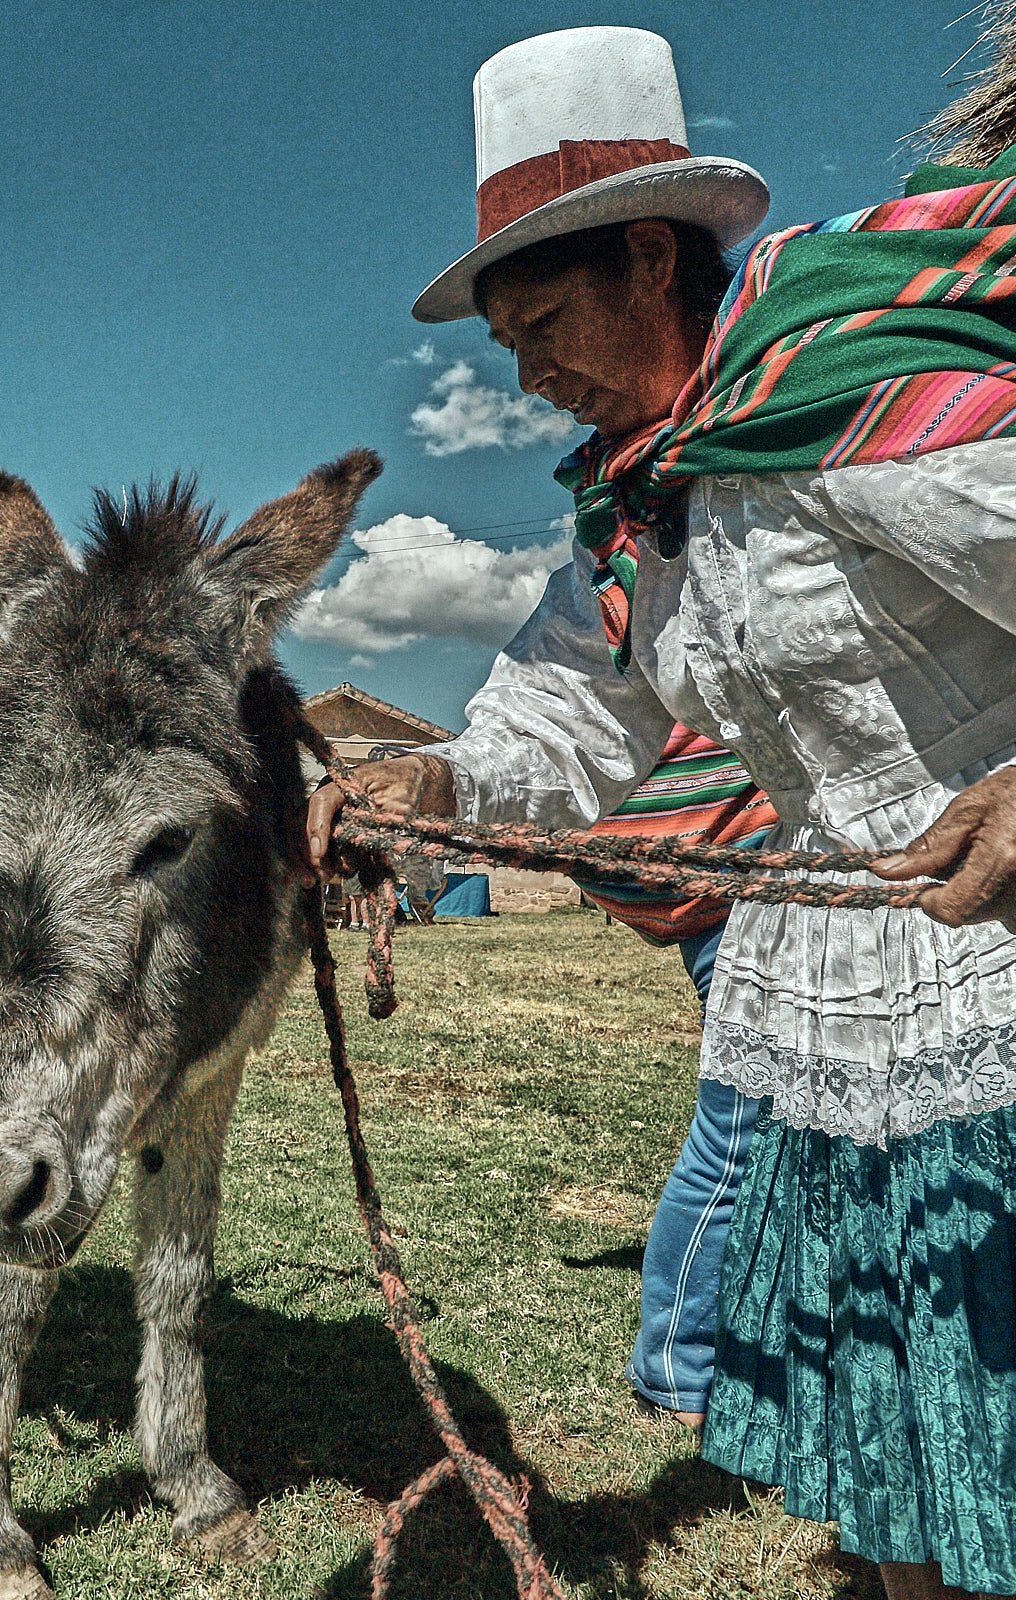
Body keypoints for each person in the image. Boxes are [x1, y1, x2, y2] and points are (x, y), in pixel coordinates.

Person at [307, 26, 1016, 1599]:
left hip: (1004, 985)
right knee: (896, 1426)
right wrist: (435, 780)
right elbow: (572, 706)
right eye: (507, 346)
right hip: (852, 1006)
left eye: (545, 321)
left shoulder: (864, 397)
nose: (529, 373)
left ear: (651, 256)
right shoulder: (652, 500)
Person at [577, 724, 776, 1432]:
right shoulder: (627, 637)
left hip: (751, 890)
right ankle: (677, 1368)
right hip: (745, 897)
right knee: (739, 1138)